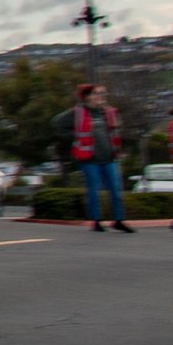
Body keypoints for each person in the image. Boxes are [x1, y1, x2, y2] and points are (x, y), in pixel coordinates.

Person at [53, 84, 129, 233]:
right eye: (96, 94)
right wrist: (74, 137)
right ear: (87, 97)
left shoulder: (107, 112)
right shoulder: (78, 113)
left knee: (116, 189)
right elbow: (58, 124)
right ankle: (96, 221)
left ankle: (118, 220)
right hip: (90, 159)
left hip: (109, 158)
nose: (100, 96)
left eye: (102, 94)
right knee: (93, 190)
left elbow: (117, 129)